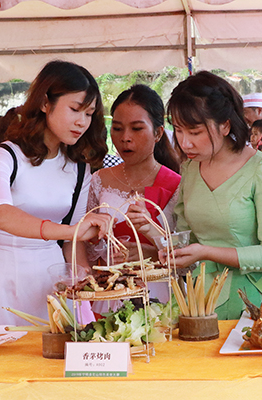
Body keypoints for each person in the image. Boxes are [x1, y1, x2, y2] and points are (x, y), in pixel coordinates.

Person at [0, 61, 112, 326]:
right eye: (74, 109)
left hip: (53, 275)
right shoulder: (4, 155)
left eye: (89, 113)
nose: (82, 122)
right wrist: (70, 231)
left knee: (53, 359)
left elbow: (74, 243)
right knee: (4, 361)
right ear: (45, 103)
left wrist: (81, 288)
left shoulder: (79, 169)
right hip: (4, 273)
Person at [158, 71, 262, 320]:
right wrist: (159, 239)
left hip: (259, 303)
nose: (185, 142)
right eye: (178, 130)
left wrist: (206, 252)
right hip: (203, 304)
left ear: (225, 125)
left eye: (195, 131)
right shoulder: (189, 169)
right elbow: (188, 241)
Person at [88, 84, 181, 302]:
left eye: (137, 129)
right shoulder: (98, 180)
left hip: (160, 293)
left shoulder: (177, 185)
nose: (125, 138)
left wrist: (150, 251)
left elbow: (185, 251)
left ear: (158, 133)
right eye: (118, 128)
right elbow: (85, 243)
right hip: (110, 290)